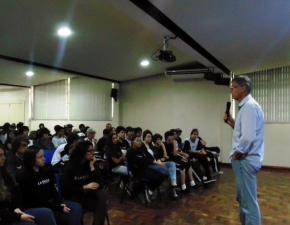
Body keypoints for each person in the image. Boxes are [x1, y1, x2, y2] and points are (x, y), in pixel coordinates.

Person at [224, 75, 264, 225]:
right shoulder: (247, 107)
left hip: (244, 160)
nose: (231, 90)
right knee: (242, 199)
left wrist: (236, 154)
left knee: (248, 204)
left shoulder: (249, 107)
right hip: (244, 160)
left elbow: (247, 138)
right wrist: (233, 124)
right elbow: (246, 132)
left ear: (242, 89)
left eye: (233, 87)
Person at [15, 145, 83, 225]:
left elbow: (54, 190)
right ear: (31, 160)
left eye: (43, 156)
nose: (44, 159)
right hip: (36, 206)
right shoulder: (24, 177)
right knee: (51, 213)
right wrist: (58, 207)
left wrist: (60, 203)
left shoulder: (46, 171)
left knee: (76, 207)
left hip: (51, 203)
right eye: (40, 157)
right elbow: (35, 200)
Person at [0, 144, 58, 225]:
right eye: (0, 155)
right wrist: (18, 216)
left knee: (46, 213)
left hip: (14, 211)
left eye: (3, 154)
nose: (4, 158)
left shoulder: (6, 175)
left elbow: (16, 197)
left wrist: (17, 208)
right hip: (5, 217)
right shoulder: (24, 176)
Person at [61, 141, 108, 225]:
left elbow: (100, 184)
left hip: (87, 194)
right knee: (101, 205)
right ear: (82, 152)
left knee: (102, 193)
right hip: (75, 196)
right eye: (90, 151)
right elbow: (66, 191)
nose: (92, 153)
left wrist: (92, 167)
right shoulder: (70, 167)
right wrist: (84, 187)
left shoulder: (89, 164)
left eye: (92, 150)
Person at [127, 135, 166, 202]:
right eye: (137, 141)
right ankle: (146, 189)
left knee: (162, 176)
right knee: (155, 178)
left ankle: (149, 190)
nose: (139, 142)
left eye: (140, 141)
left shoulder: (140, 150)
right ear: (133, 143)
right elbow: (136, 163)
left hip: (145, 168)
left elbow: (146, 159)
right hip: (137, 171)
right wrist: (143, 162)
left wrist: (157, 163)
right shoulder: (130, 151)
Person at [141, 130, 179, 198]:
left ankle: (173, 183)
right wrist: (158, 163)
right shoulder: (142, 145)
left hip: (156, 163)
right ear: (144, 137)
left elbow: (156, 156)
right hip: (150, 165)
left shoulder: (150, 145)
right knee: (170, 171)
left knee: (172, 164)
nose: (149, 138)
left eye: (150, 137)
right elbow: (146, 159)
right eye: (148, 137)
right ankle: (173, 191)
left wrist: (159, 162)